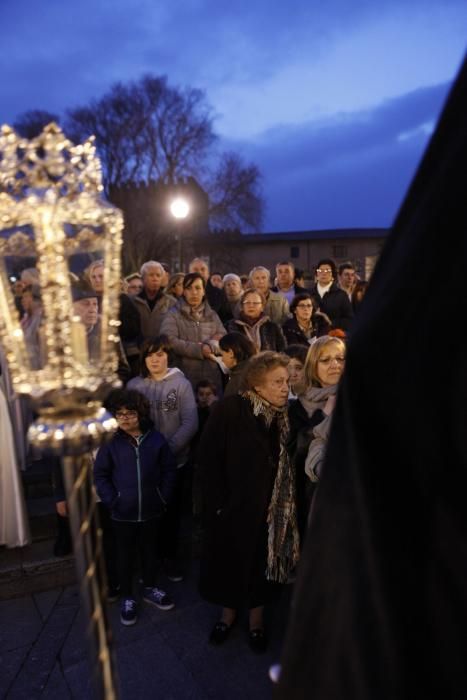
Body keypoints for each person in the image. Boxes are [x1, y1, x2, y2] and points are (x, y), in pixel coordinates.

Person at [199, 351, 299, 652]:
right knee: (228, 564)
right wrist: (217, 505)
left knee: (261, 568)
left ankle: (256, 621)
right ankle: (227, 615)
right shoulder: (230, 409)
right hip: (233, 509)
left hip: (270, 512)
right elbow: (208, 459)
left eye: (287, 381)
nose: (286, 388)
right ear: (257, 385)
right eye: (278, 382)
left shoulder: (287, 415)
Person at [93, 389, 177, 626]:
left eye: (131, 413)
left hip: (152, 508)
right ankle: (127, 596)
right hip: (122, 512)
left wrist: (163, 496)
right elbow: (101, 474)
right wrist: (113, 500)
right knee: (124, 554)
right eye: (120, 414)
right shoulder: (110, 443)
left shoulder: (156, 439)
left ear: (140, 413)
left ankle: (150, 587)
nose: (126, 418)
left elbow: (169, 469)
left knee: (150, 550)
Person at [127, 336, 198, 580]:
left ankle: (171, 560)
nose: (155, 360)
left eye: (160, 354)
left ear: (168, 356)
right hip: (142, 464)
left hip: (173, 463)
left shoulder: (181, 384)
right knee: (146, 516)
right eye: (150, 355)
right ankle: (148, 563)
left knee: (171, 515)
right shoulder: (134, 386)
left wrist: (167, 451)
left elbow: (190, 422)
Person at [288, 336, 346, 536]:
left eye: (340, 358)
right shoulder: (297, 406)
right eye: (326, 360)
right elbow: (294, 451)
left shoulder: (358, 397)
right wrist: (324, 416)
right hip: (309, 497)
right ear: (313, 365)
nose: (335, 365)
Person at [160, 272, 226, 395]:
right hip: (183, 378)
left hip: (211, 380)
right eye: (189, 288)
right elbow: (169, 340)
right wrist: (199, 350)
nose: (194, 292)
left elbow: (225, 340)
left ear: (203, 291)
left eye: (198, 288)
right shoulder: (173, 314)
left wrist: (211, 345)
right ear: (184, 292)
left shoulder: (212, 315)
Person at [227, 288, 286, 353]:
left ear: (262, 307)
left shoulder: (272, 326)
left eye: (255, 303)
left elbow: (283, 350)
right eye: (247, 303)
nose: (251, 306)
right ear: (242, 306)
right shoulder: (231, 326)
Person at [133, 261, 177, 341]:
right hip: (138, 350)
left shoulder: (171, 302)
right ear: (143, 278)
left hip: (161, 350)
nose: (155, 278)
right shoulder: (133, 301)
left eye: (158, 275)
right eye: (151, 275)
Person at [309, 259, 353, 333]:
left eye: (327, 271)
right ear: (316, 274)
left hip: (333, 336)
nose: (323, 273)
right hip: (311, 337)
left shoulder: (341, 295)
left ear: (333, 274)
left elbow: (349, 320)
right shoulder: (308, 294)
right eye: (320, 271)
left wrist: (331, 322)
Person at [218, 332, 256, 397]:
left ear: (231, 353)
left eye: (222, 355)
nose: (222, 359)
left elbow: (231, 405)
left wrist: (214, 404)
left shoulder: (237, 380)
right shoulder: (257, 371)